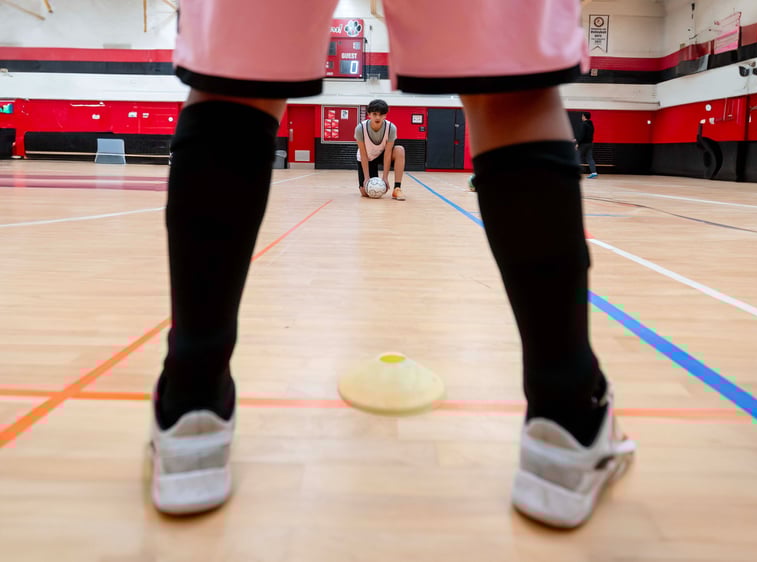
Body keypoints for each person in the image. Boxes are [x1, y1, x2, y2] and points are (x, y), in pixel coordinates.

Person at [151, 0, 636, 528]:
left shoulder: (388, 129)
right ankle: (565, 422)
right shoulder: (365, 130)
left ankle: (192, 407)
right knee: (511, 87)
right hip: (387, 170)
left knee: (233, 84)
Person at [355, 99, 406, 200]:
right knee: (365, 193)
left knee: (400, 150)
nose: (378, 117)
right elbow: (363, 153)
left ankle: (397, 188)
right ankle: (365, 183)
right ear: (369, 114)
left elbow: (388, 153)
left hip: (381, 155)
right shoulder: (360, 128)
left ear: (385, 115)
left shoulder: (391, 128)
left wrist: (385, 178)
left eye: (381, 114)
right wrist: (366, 178)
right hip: (367, 158)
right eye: (374, 114)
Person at [576, 111, 598, 178]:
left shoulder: (584, 124)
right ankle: (594, 173)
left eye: (582, 116)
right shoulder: (591, 125)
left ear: (584, 116)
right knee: (590, 158)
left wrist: (577, 143)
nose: (581, 117)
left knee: (577, 157)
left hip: (583, 144)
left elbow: (582, 135)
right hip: (590, 143)